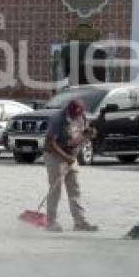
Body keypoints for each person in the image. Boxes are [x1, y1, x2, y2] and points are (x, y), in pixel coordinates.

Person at [43, 99, 98, 232]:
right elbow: (49, 144)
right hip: (54, 155)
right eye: (74, 114)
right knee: (56, 189)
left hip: (71, 156)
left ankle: (80, 223)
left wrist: (89, 133)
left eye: (78, 114)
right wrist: (65, 157)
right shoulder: (58, 119)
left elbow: (83, 132)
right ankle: (51, 222)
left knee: (75, 189)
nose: (76, 117)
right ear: (69, 110)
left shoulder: (82, 117)